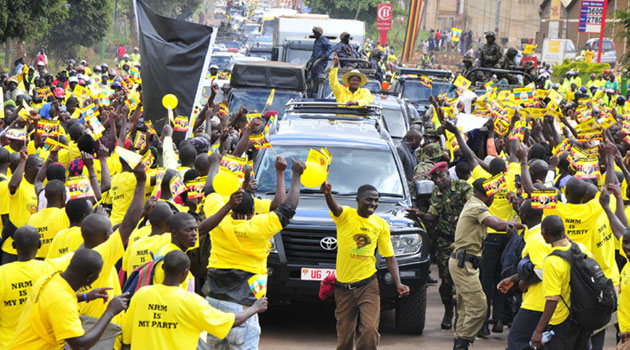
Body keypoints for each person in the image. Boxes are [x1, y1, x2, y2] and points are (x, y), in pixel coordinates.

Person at [203, 159, 305, 350]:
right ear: (253, 211)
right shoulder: (258, 227)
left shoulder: (217, 217)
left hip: (213, 300)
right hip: (245, 306)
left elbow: (209, 189)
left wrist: (215, 163)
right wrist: (293, 175)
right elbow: (287, 208)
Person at [321, 182, 410, 350]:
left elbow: (390, 257)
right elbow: (335, 208)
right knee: (345, 334)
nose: (373, 204)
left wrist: (399, 283)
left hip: (368, 285)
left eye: (376, 201)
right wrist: (327, 194)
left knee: (369, 329)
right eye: (369, 200)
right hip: (343, 288)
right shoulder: (346, 215)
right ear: (358, 200)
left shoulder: (380, 224)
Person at [122, 250, 268, 350]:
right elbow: (230, 321)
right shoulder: (192, 302)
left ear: (163, 268)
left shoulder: (141, 294)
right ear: (185, 273)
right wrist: (254, 308)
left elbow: (126, 338)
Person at [450, 178, 524, 350]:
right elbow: (497, 224)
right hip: (464, 264)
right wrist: (524, 224)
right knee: (479, 307)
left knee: (464, 307)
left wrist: (517, 221)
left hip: (465, 263)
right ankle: (464, 341)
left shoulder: (475, 204)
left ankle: (460, 343)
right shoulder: (476, 206)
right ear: (487, 195)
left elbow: (496, 218)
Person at [7, 249, 129, 350]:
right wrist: (110, 312)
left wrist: (85, 296)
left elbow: (53, 302)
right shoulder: (61, 300)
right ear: (89, 278)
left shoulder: (48, 279)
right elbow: (80, 345)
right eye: (98, 275)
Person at [407, 161, 473, 330]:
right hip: (445, 241)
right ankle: (448, 311)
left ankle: (461, 315)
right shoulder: (436, 191)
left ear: (448, 174)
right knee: (446, 281)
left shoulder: (463, 187)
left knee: (463, 279)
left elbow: (472, 208)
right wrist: (420, 214)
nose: (439, 181)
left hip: (463, 240)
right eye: (436, 178)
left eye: (441, 177)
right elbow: (432, 215)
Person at [530, 215, 591, 350]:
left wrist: (538, 331)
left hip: (563, 320)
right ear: (564, 231)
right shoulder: (580, 248)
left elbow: (552, 299)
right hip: (583, 316)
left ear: (544, 233)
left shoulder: (552, 261)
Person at [497, 200, 549, 350]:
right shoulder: (539, 234)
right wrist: (513, 279)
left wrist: (524, 282)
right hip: (541, 301)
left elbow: (540, 270)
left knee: (516, 341)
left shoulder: (536, 239)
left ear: (523, 216)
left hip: (536, 302)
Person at [618, 229, 630, 350]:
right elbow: (619, 230)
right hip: (624, 338)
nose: (627, 247)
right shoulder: (628, 263)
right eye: (625, 242)